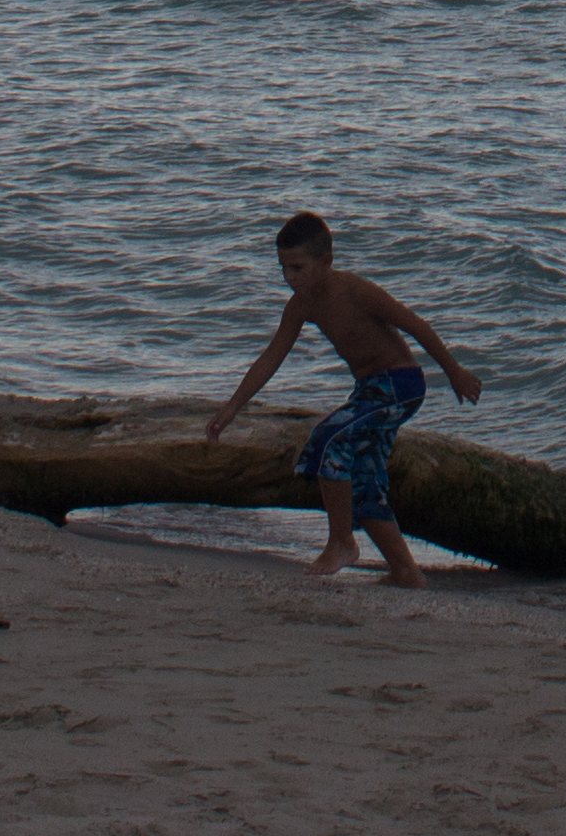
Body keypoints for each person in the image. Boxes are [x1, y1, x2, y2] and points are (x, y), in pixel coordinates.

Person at [202, 211, 483, 585]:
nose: (289, 278)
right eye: (283, 268)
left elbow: (414, 324)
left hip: (401, 385)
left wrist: (454, 372)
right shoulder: (300, 306)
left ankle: (341, 542)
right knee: (366, 481)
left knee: (329, 441)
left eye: (298, 268)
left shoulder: (353, 290)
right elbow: (271, 356)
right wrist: (232, 407)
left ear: (326, 262)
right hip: (369, 392)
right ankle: (405, 571)